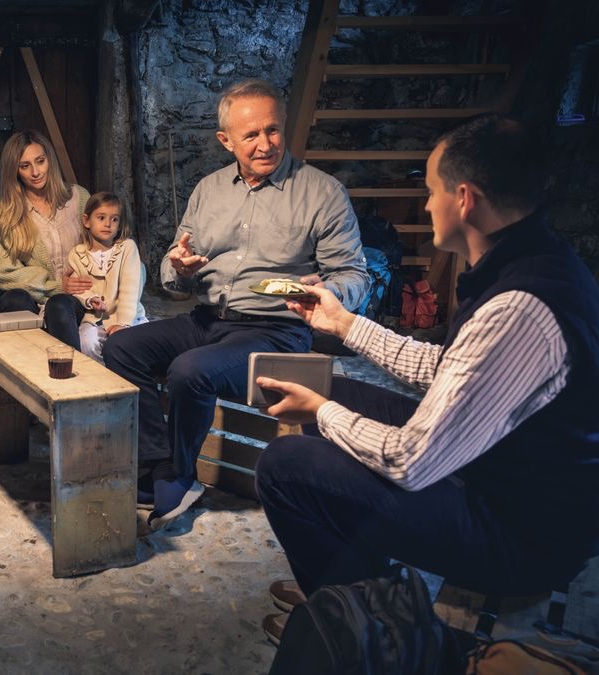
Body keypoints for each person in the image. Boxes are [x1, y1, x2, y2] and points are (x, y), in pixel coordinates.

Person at [253, 115, 599, 644]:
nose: (427, 204)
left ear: (465, 200)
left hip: (520, 535)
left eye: (432, 191)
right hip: (496, 471)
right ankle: (356, 589)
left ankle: (366, 633)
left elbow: (409, 463)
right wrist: (343, 324)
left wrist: (320, 412)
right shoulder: (531, 261)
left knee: (285, 465)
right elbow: (449, 369)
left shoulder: (517, 308)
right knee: (332, 387)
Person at [103, 79, 369, 530]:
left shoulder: (322, 193)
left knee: (190, 370)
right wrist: (179, 268)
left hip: (275, 330)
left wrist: (326, 292)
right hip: (206, 319)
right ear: (226, 140)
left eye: (273, 130)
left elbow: (355, 276)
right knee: (122, 348)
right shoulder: (208, 190)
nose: (265, 144)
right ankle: (158, 462)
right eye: (251, 135)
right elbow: (172, 268)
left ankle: (180, 475)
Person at [0, 129, 94, 350]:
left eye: (40, 161)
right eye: (25, 166)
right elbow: (4, 271)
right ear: (15, 171)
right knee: (15, 299)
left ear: (50, 161)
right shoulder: (7, 211)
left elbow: (109, 243)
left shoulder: (78, 198)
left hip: (73, 299)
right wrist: (55, 285)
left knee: (59, 305)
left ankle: (67, 368)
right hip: (33, 298)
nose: (35, 172)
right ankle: (23, 368)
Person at [65, 191, 146, 362]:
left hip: (129, 317)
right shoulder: (77, 254)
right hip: (94, 319)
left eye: (114, 219)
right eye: (101, 218)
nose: (108, 224)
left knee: (135, 346)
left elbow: (130, 289)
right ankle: (100, 375)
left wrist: (123, 323)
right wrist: (90, 299)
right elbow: (77, 287)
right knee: (87, 343)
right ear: (87, 221)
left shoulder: (127, 248)